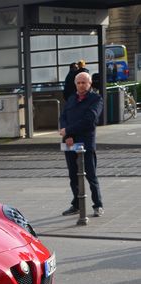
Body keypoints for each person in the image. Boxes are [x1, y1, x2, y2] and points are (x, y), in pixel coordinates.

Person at [59, 71, 104, 217]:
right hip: (70, 143)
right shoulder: (72, 99)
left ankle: (98, 205)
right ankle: (76, 205)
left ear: (89, 83)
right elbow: (63, 117)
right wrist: (67, 135)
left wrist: (68, 130)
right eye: (78, 83)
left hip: (85, 144)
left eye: (84, 82)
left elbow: (89, 120)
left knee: (91, 176)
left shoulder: (96, 99)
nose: (81, 85)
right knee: (73, 176)